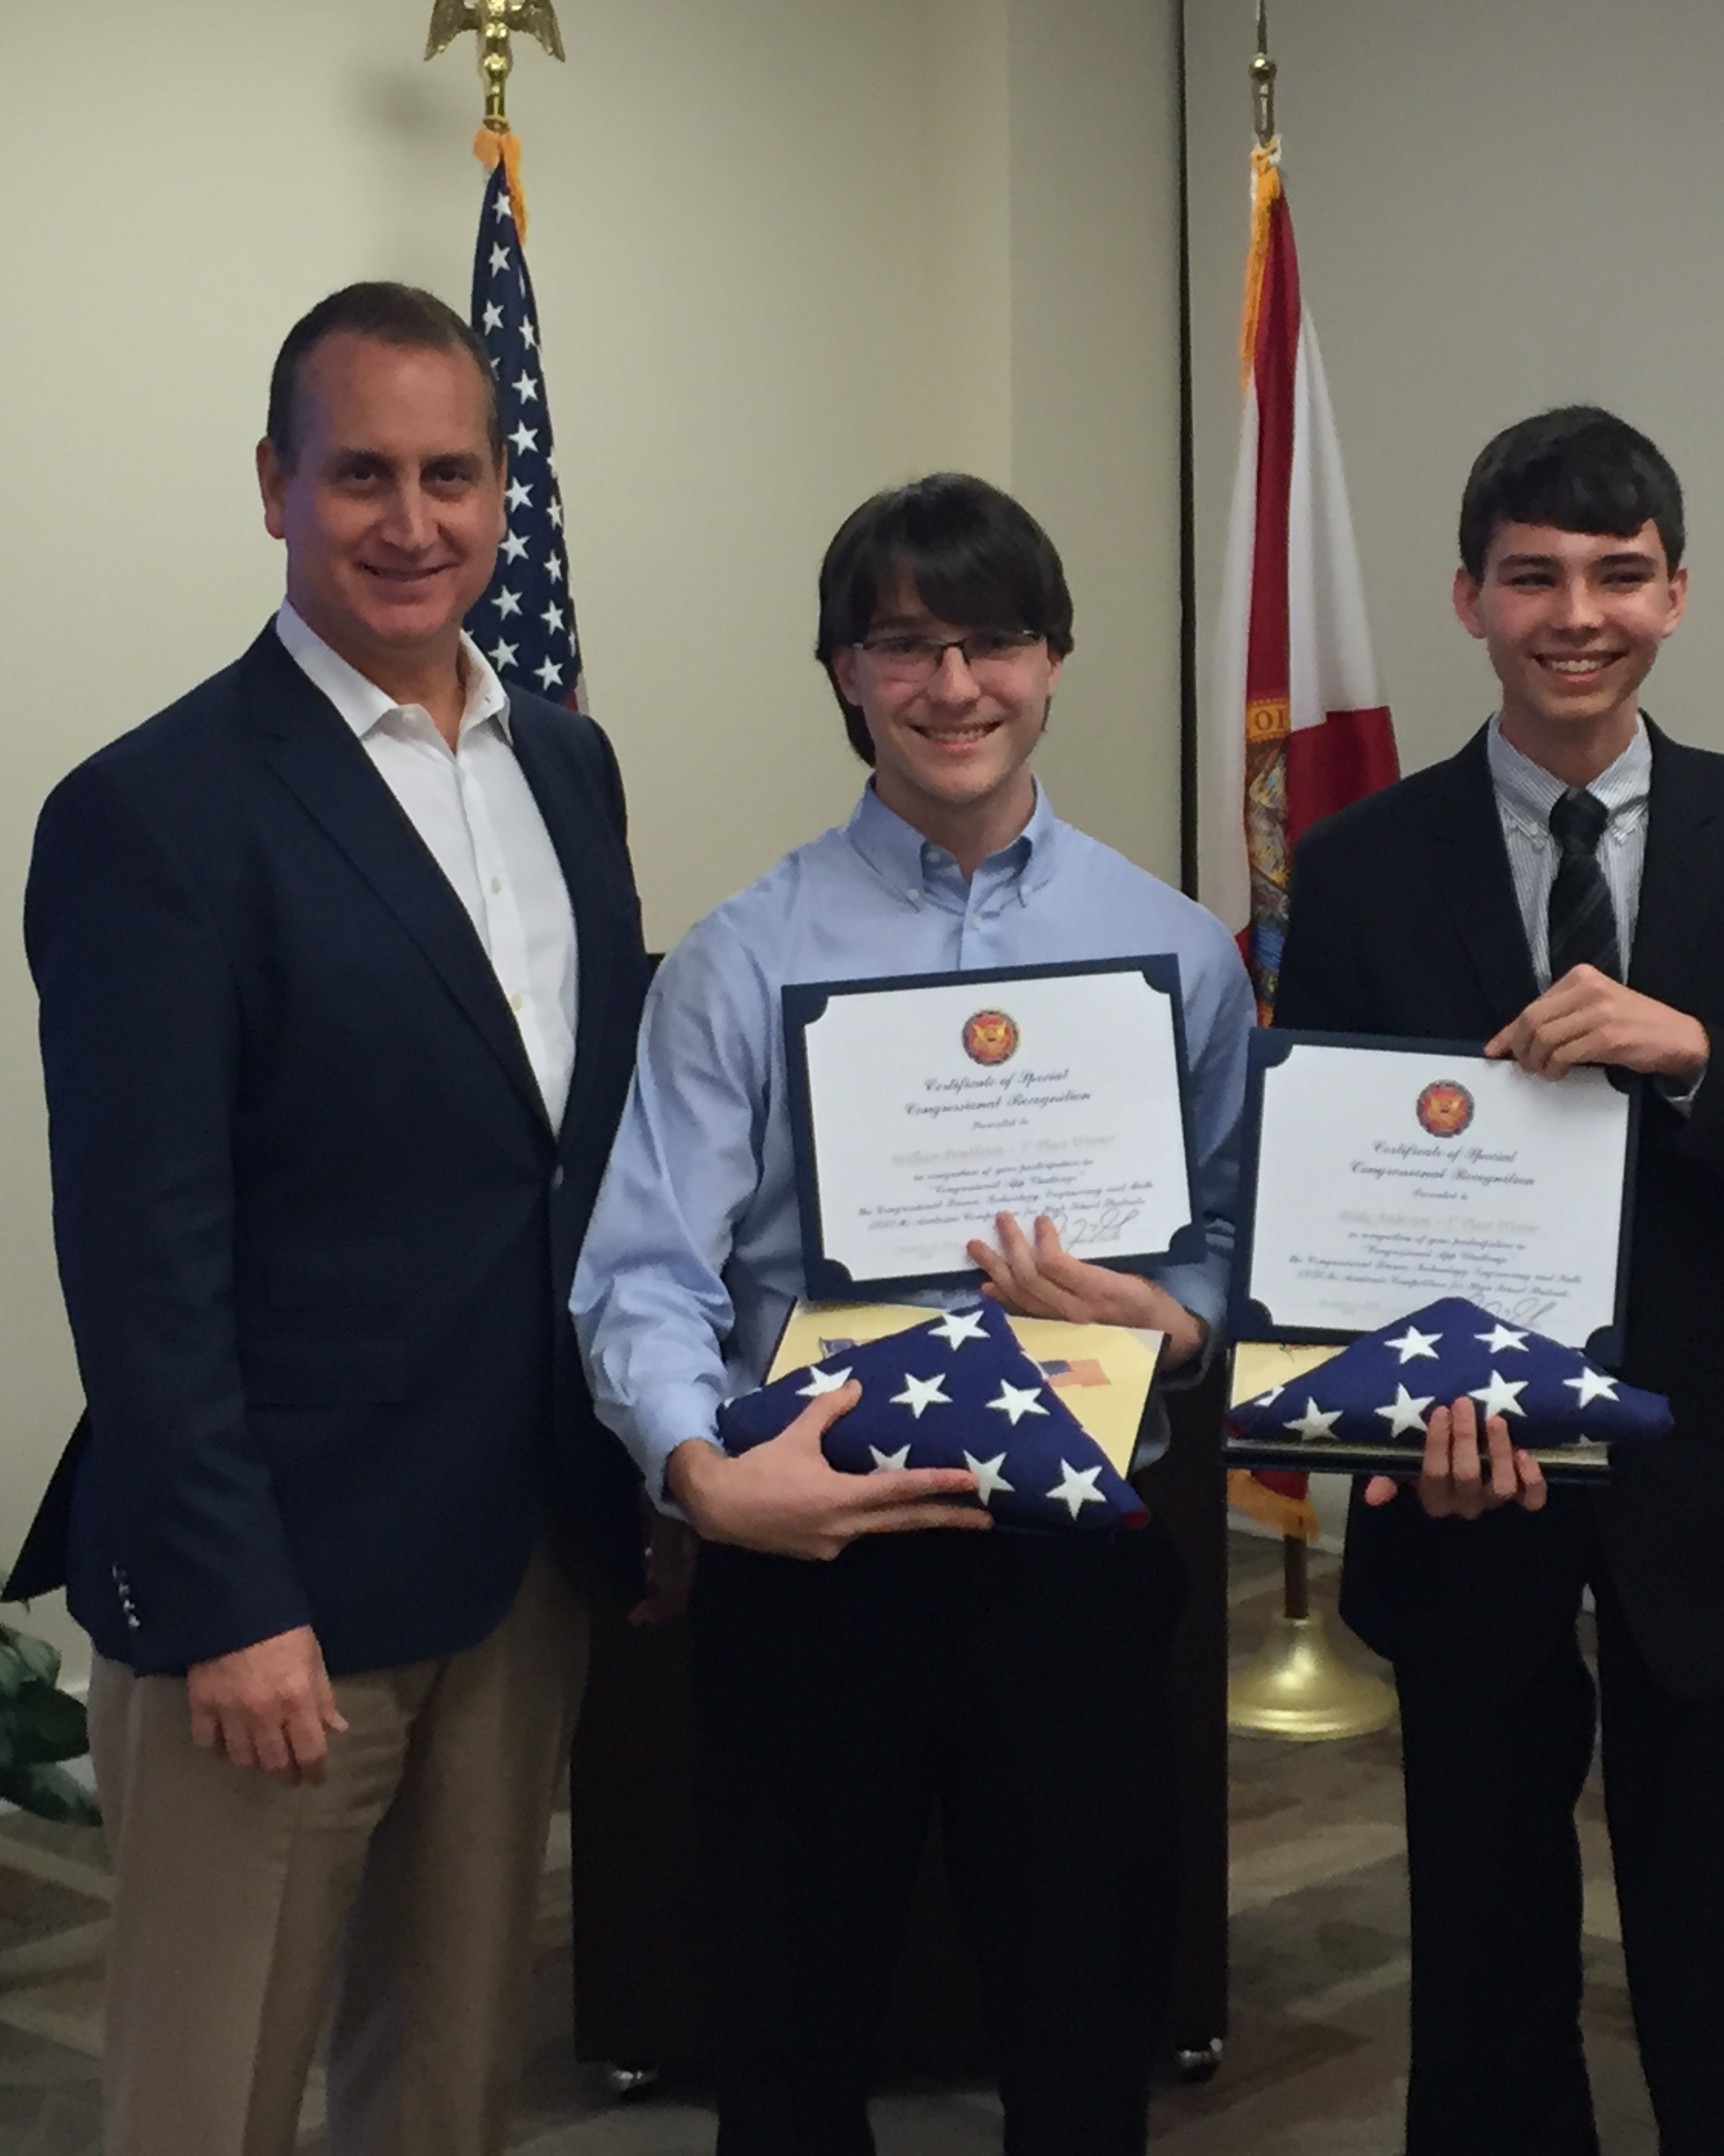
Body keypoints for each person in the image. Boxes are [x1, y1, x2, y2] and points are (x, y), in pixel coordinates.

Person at [11, 282, 650, 2154]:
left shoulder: (566, 765)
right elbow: (142, 1255)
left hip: (518, 1552)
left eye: (452, 472)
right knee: (211, 2094)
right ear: (273, 485)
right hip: (274, 1592)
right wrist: (232, 1604)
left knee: (443, 2085)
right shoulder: (154, 813)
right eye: (358, 470)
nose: (410, 517)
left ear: (501, 493)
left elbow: (568, 1162)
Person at [569, 473, 1253, 2156]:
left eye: (995, 640)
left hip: (1072, 1562)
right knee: (789, 2045)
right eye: (907, 644)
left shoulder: (1176, 952)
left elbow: (1236, 1235)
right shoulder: (741, 959)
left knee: (1087, 2038)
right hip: (816, 1565)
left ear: (1056, 658)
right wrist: (697, 1475)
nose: (956, 686)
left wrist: (1172, 1320)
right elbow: (645, 1270)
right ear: (844, 672)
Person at [1274, 406, 1724, 2155]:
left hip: (1713, 1484)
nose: (1578, 613)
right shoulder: (1354, 865)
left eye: (1619, 576)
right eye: (1533, 575)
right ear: (1468, 597)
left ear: (1679, 597)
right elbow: (1334, 1189)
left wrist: (1694, 1052)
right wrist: (1392, 1422)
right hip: (1457, 1475)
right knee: (1480, 1949)